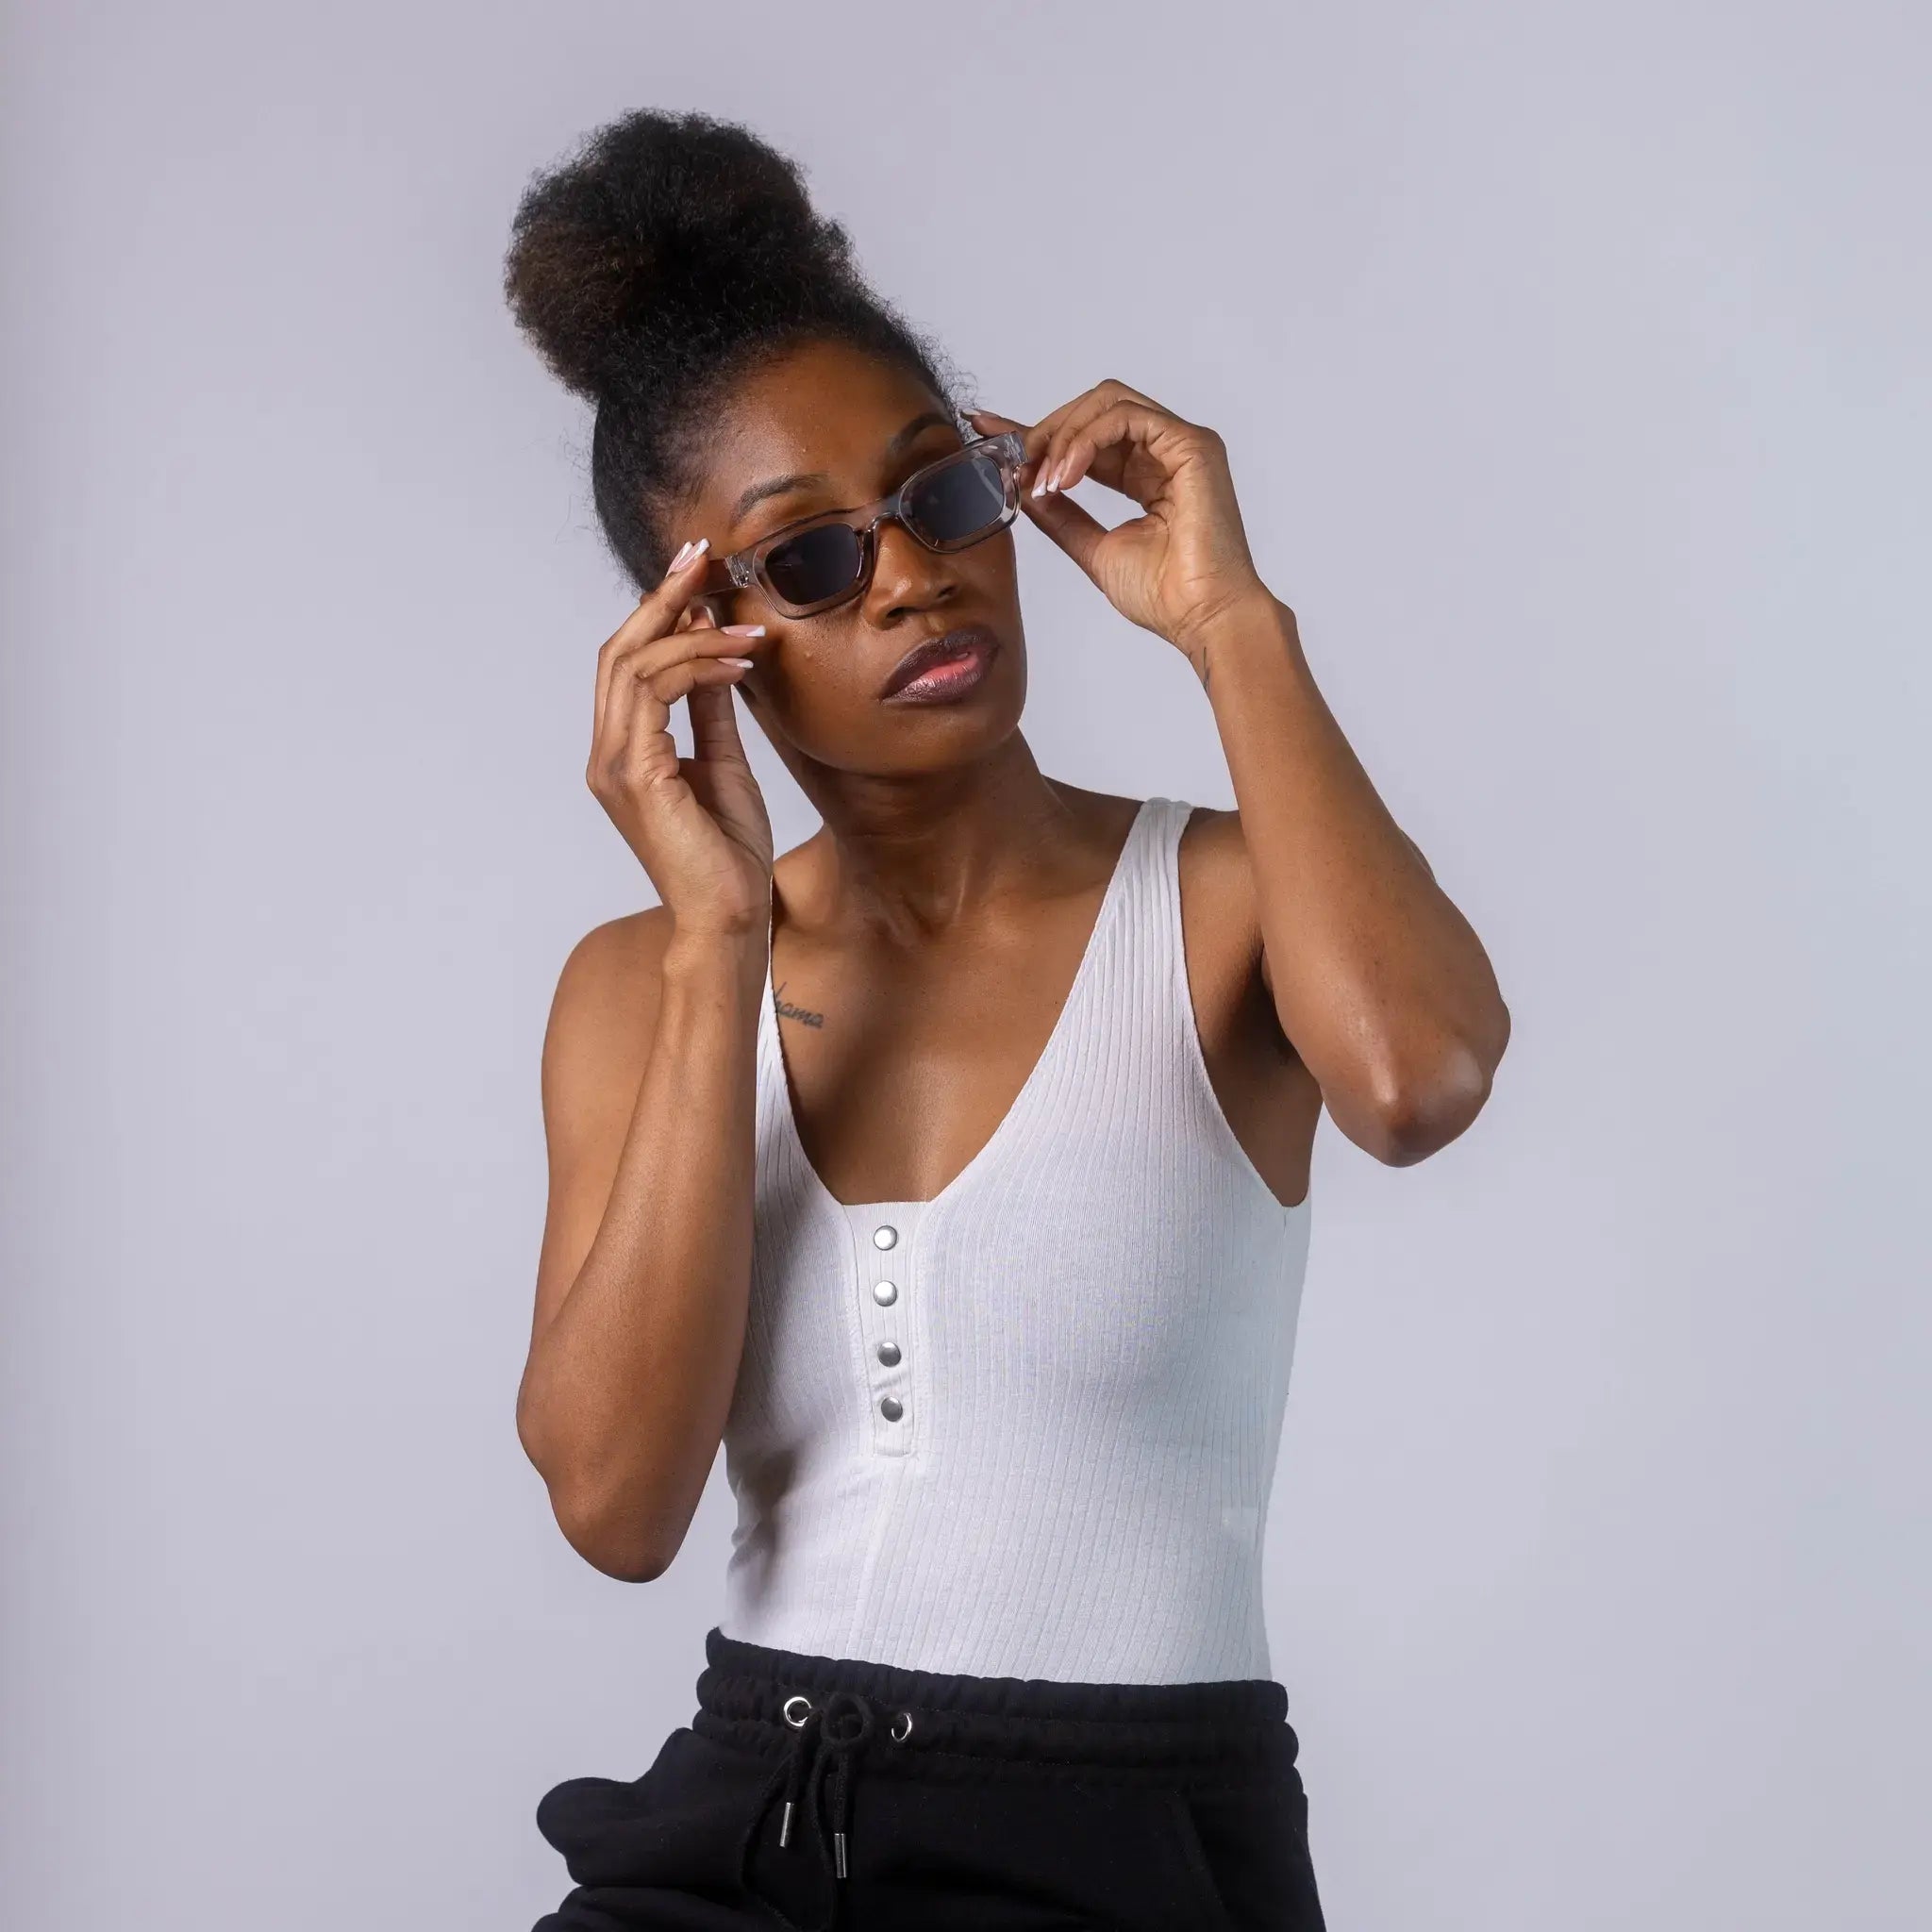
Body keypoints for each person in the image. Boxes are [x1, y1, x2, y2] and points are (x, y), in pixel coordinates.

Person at [503, 106, 1508, 1932]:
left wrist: (1225, 621)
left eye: (943, 491)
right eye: (806, 559)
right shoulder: (634, 985)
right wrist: (717, 938)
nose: (910, 572)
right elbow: (615, 1503)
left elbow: (1415, 1079)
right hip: (742, 1830)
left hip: (1128, 1842)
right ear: (700, 630)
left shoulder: (1218, 899)